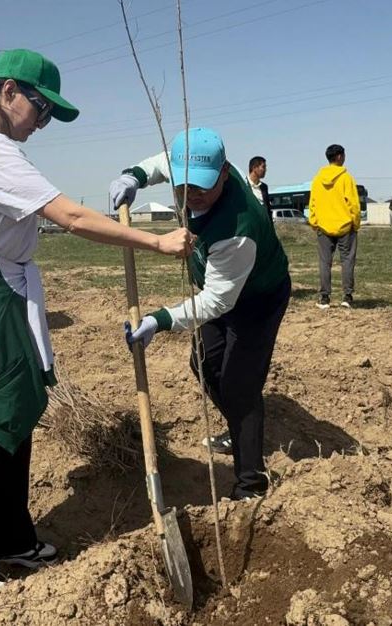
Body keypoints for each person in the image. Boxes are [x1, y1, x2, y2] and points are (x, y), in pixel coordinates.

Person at [0, 48, 194, 589]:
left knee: (12, 417)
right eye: (40, 107)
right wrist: (155, 241)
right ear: (7, 93)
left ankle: (10, 539)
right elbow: (70, 216)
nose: (43, 121)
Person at [110, 127, 291, 502]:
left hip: (256, 297)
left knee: (241, 387)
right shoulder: (191, 172)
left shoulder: (237, 228)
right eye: (184, 187)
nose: (191, 195)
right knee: (204, 363)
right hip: (219, 289)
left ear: (225, 172)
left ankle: (250, 483)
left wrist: (159, 320)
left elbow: (217, 302)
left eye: (202, 188)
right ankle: (242, 428)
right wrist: (135, 176)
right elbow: (163, 163)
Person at [308, 144, 360, 309]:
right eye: (344, 155)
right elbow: (353, 203)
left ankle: (324, 298)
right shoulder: (346, 178)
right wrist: (355, 223)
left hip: (323, 227)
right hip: (345, 226)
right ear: (339, 157)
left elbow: (313, 203)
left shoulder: (317, 179)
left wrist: (314, 222)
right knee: (347, 261)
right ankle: (347, 296)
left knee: (325, 262)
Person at [246, 156, 274, 222]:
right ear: (254, 168)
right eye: (263, 167)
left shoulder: (264, 187)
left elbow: (268, 210)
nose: (265, 170)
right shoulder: (244, 185)